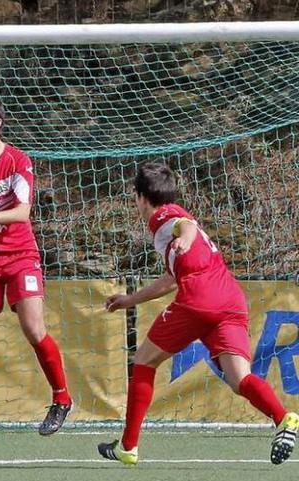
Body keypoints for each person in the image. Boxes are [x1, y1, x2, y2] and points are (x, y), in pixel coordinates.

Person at [98, 162, 298, 465]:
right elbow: (170, 278)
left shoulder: (164, 215)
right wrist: (131, 299)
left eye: (135, 196)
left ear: (140, 196)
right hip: (230, 300)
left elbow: (186, 226)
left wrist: (185, 239)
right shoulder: (168, 228)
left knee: (143, 360)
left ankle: (128, 446)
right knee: (239, 378)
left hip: (199, 300)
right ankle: (284, 418)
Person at [0, 95, 72, 438]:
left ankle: (62, 398)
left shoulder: (18, 161)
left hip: (20, 255)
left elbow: (22, 212)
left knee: (34, 329)